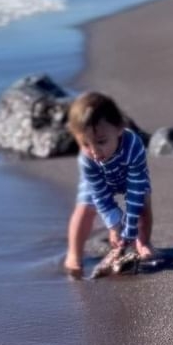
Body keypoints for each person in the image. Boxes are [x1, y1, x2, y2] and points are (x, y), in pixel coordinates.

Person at [64, 91, 154, 278]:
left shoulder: (133, 145)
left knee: (144, 202)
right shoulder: (88, 159)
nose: (95, 151)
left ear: (119, 128)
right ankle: (74, 253)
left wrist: (128, 231)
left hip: (129, 176)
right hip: (99, 179)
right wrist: (114, 226)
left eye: (101, 142)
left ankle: (143, 242)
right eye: (85, 144)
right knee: (84, 209)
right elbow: (100, 195)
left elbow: (135, 191)